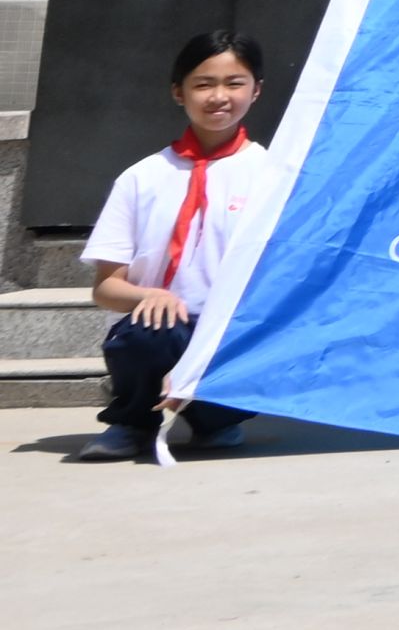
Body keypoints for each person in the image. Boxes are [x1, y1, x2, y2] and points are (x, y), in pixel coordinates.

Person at [68, 30, 274, 464]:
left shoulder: (275, 176)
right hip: (162, 331)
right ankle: (133, 422)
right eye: (203, 84)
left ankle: (216, 420)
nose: (219, 97)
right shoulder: (141, 178)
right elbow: (106, 288)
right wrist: (149, 296)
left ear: (256, 90)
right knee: (152, 331)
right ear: (178, 92)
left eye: (234, 83)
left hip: (231, 335)